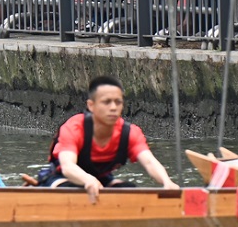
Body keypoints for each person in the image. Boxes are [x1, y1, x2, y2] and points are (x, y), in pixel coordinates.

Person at [37, 76, 179, 196]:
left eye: (118, 102)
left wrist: (167, 182)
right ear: (91, 105)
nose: (113, 107)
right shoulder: (74, 127)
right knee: (73, 192)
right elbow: (68, 166)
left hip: (101, 179)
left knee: (128, 190)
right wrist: (88, 180)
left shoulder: (130, 133)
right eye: (106, 102)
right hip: (62, 178)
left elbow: (149, 162)